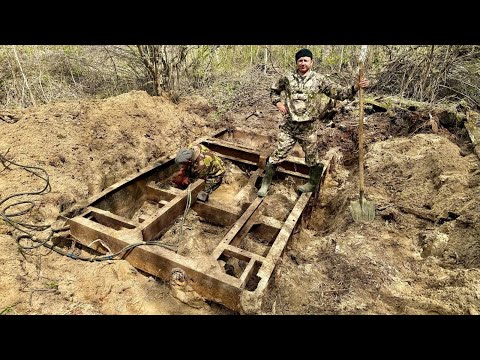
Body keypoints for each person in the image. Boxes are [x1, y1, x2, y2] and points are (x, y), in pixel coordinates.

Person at [257, 48, 369, 197]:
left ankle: (311, 184)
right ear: (296, 63)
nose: (303, 63)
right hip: (289, 125)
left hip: (308, 127)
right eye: (300, 61)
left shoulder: (319, 79)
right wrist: (278, 103)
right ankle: (265, 184)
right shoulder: (287, 78)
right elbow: (274, 91)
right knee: (277, 154)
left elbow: (339, 93)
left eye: (306, 60)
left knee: (312, 158)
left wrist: (355, 88)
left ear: (312, 62)